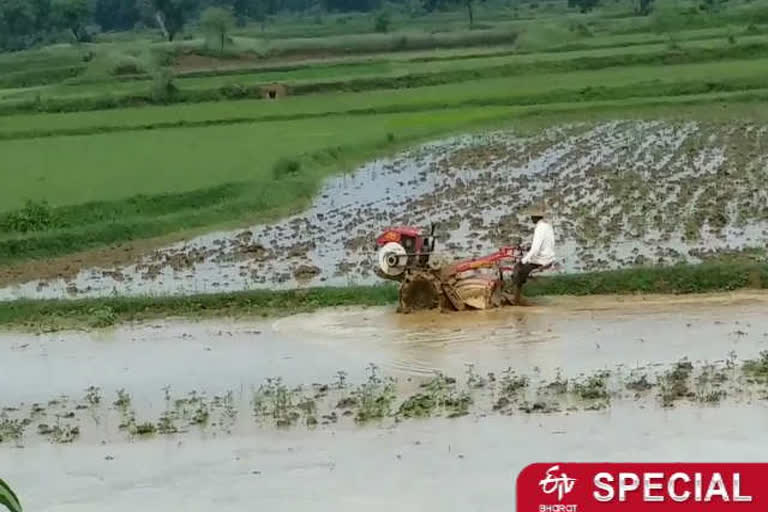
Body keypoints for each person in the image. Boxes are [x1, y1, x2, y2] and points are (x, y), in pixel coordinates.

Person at [513, 207, 555, 306]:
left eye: (532, 217)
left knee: (517, 269)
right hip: (548, 255)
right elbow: (543, 244)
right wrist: (528, 247)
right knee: (523, 261)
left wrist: (523, 261)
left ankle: (516, 300)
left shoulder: (539, 229)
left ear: (535, 218)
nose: (531, 218)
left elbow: (535, 249)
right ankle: (518, 296)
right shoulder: (547, 226)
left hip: (542, 260)